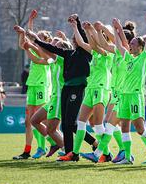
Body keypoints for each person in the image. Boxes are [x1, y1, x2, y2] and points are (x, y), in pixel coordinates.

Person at [29, 14, 98, 161]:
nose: (75, 40)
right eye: (74, 39)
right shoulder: (68, 53)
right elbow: (49, 48)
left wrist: (76, 24)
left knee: (70, 122)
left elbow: (82, 39)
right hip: (66, 88)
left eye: (76, 39)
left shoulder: (86, 52)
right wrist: (35, 40)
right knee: (68, 123)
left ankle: (76, 151)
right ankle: (71, 152)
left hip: (77, 88)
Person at [103, 16, 146, 165]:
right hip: (124, 96)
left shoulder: (144, 57)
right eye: (130, 43)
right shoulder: (129, 58)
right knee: (125, 127)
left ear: (140, 47)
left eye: (132, 43)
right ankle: (127, 157)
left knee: (139, 128)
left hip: (135, 96)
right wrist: (117, 29)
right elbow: (119, 46)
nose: (129, 46)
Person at [64, 20, 114, 162]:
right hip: (91, 88)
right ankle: (75, 153)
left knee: (98, 124)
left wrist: (91, 30)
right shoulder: (96, 51)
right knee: (81, 122)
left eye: (103, 34)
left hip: (101, 88)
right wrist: (77, 28)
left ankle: (106, 153)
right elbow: (81, 43)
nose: (101, 36)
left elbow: (97, 46)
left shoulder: (108, 52)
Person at [12, 10, 53, 160]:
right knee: (29, 121)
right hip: (33, 85)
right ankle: (28, 150)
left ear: (46, 41)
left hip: (42, 86)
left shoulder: (48, 55)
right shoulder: (35, 51)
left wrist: (28, 41)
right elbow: (24, 43)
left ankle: (50, 144)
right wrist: (24, 30)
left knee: (41, 119)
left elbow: (36, 56)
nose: (37, 40)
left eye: (40, 38)